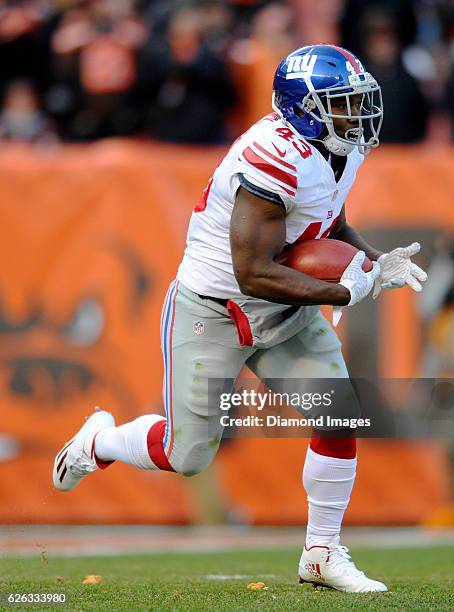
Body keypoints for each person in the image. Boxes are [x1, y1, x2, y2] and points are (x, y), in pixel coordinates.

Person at [52, 44, 427, 593]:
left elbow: (328, 219)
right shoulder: (271, 156)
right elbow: (253, 272)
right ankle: (99, 443)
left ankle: (321, 552)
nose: (357, 113)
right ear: (305, 110)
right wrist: (343, 291)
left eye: (357, 99)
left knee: (340, 415)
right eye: (343, 103)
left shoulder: (336, 147)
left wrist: (371, 261)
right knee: (188, 455)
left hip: (285, 308)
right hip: (216, 309)